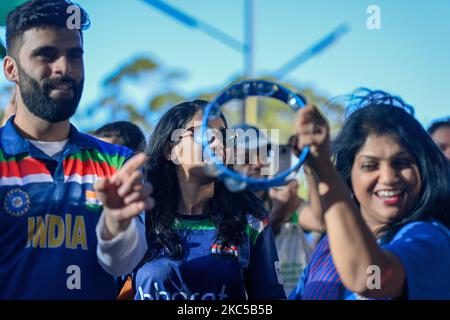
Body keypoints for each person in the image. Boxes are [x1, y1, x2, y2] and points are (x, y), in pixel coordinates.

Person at [0, 0, 152, 299]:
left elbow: (124, 262)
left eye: (75, 55)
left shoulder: (118, 161)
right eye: (46, 54)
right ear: (11, 69)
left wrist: (115, 227)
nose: (64, 68)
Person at [96, 100, 286, 300]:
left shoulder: (250, 217)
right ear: (170, 150)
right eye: (205, 133)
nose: (218, 143)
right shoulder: (140, 213)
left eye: (224, 136)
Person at [290, 89, 450, 300]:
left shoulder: (428, 239)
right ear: (350, 175)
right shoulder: (331, 244)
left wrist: (323, 169)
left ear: (422, 168)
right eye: (370, 165)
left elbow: (370, 278)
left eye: (401, 163)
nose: (388, 177)